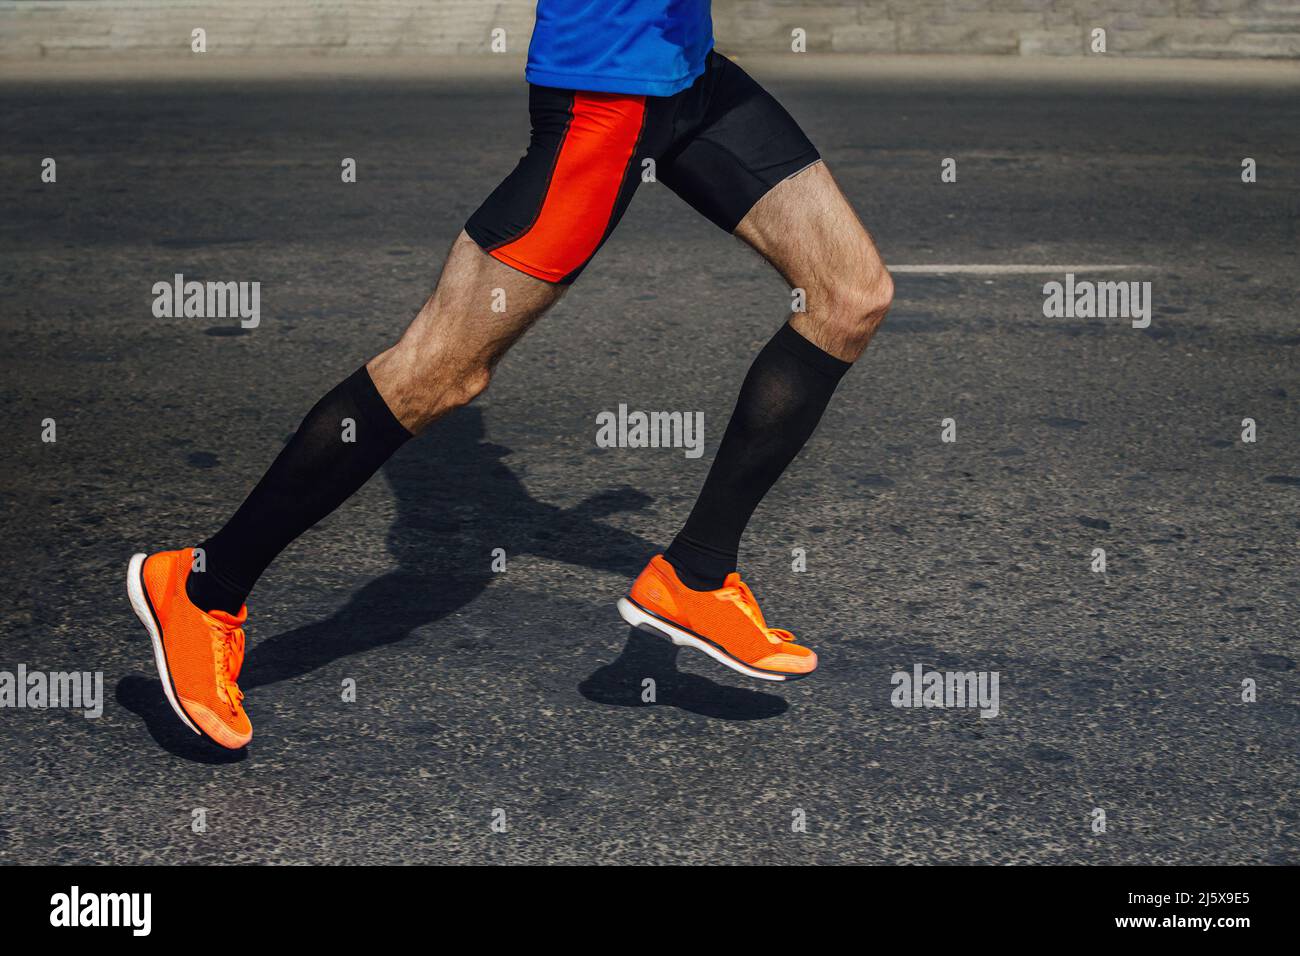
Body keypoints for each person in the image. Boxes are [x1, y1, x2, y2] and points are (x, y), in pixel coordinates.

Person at [127, 0, 894, 749]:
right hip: (606, 98)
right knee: (439, 372)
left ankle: (695, 576)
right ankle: (202, 587)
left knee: (849, 295)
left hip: (690, 81)